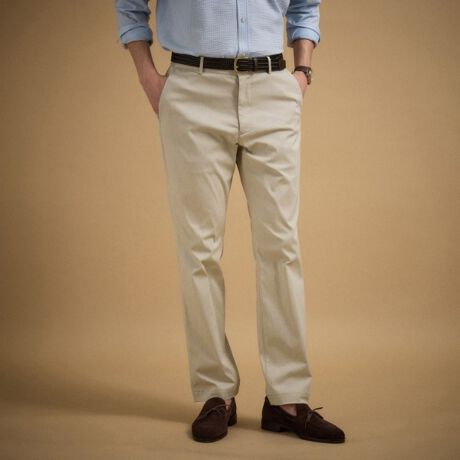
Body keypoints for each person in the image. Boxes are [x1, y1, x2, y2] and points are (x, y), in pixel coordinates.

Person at [114, 0, 345, 444]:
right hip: (192, 90)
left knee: (281, 247)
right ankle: (215, 393)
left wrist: (302, 73)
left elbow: (305, 6)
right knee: (199, 251)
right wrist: (149, 78)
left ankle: (287, 399)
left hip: (273, 89)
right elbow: (129, 5)